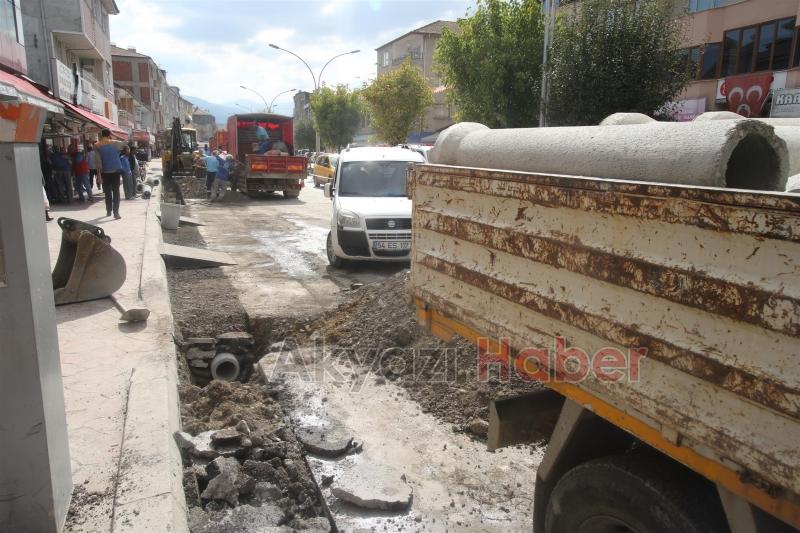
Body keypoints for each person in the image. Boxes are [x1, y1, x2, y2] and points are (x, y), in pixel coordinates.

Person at [94, 128, 123, 219]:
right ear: (109, 134)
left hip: (105, 172)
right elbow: (126, 143)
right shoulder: (115, 143)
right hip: (115, 171)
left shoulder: (97, 145)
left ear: (102, 135)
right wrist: (115, 136)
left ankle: (108, 211)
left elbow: (98, 161)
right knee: (116, 192)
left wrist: (98, 175)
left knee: (107, 193)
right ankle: (116, 213)